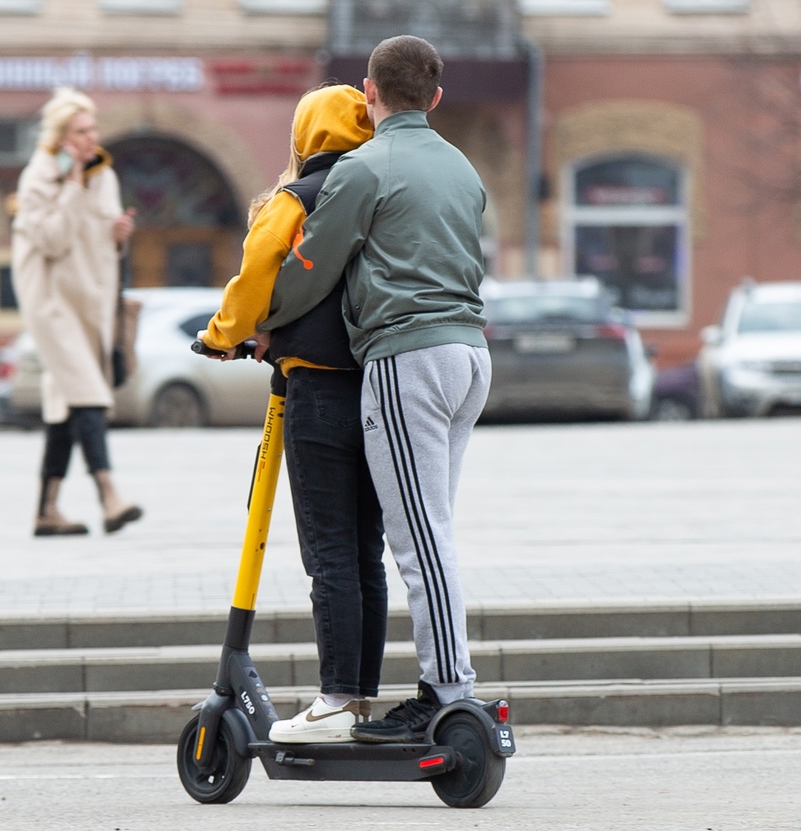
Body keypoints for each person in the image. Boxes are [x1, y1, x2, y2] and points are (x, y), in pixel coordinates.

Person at [261, 35, 492, 743]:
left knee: (416, 536)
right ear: (437, 98)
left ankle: (447, 690)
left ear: (369, 92)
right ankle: (442, 685)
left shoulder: (365, 167)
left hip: (407, 356)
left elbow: (311, 267)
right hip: (471, 356)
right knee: (433, 525)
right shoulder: (461, 167)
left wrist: (264, 323)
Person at [198, 83, 385, 743]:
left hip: (318, 389)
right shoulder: (376, 191)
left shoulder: (297, 198)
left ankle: (334, 699)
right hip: (381, 385)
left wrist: (223, 334)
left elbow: (256, 275)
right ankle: (361, 696)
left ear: (305, 135)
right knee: (367, 550)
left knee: (329, 550)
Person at [11, 86, 143, 537]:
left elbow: (99, 237)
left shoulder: (103, 174)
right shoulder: (39, 178)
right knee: (88, 393)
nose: (92, 137)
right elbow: (51, 240)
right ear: (61, 137)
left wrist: (119, 233)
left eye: (94, 128)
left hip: (90, 302)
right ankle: (109, 496)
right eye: (82, 131)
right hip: (51, 305)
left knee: (64, 406)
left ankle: (46, 510)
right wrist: (69, 185)